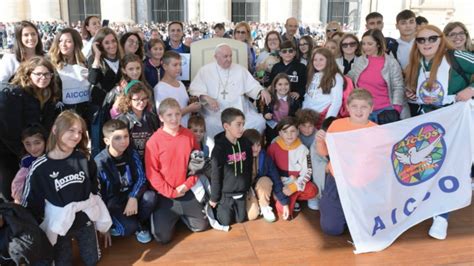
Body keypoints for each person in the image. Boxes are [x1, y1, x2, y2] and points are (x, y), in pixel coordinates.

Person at [22, 110, 111, 265]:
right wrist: (33, 233)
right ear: (55, 130)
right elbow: (30, 202)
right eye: (71, 130)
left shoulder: (84, 158)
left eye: (79, 132)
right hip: (59, 224)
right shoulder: (40, 167)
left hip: (85, 220)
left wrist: (101, 221)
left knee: (93, 260)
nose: (76, 136)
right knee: (63, 262)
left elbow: (95, 189)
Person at [145, 98, 209, 244]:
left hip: (185, 190)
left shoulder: (189, 136)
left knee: (201, 226)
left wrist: (187, 185)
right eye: (169, 115)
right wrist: (171, 192)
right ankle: (167, 217)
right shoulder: (153, 142)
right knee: (162, 238)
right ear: (161, 117)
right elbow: (152, 173)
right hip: (165, 195)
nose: (174, 119)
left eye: (177, 114)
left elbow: (197, 164)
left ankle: (182, 216)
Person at [316, 88, 377, 236]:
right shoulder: (337, 125)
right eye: (354, 106)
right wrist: (319, 141)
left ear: (371, 109)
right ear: (348, 108)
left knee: (366, 229)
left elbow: (380, 163)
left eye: (364, 107)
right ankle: (339, 210)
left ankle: (352, 213)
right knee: (331, 229)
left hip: (363, 185)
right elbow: (324, 152)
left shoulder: (377, 131)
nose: (359, 110)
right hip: (336, 181)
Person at [94, 119, 157, 244]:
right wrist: (103, 224)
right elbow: (98, 196)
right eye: (117, 138)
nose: (123, 141)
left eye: (126, 136)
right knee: (127, 229)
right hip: (114, 204)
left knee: (151, 197)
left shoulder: (132, 153)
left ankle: (138, 224)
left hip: (131, 197)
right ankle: (130, 224)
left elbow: (141, 177)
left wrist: (133, 197)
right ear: (107, 141)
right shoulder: (100, 163)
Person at [189, 43, 271, 139]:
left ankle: (246, 149)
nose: (229, 59)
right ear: (216, 57)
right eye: (225, 56)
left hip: (240, 111)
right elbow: (195, 89)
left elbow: (252, 86)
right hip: (215, 113)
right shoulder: (205, 71)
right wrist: (206, 97)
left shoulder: (240, 70)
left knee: (259, 121)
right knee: (210, 124)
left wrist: (261, 91)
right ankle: (217, 151)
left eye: (230, 56)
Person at [405, 24, 474, 115]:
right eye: (421, 40)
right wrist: (412, 94)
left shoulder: (455, 56)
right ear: (416, 43)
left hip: (459, 116)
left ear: (441, 40)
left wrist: (471, 90)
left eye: (432, 39)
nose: (426, 43)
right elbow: (413, 90)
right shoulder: (415, 64)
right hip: (429, 118)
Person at [348, 29, 408, 124]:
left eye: (370, 44)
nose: (365, 47)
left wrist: (396, 109)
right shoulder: (360, 60)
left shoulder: (391, 62)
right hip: (363, 112)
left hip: (385, 112)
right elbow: (349, 78)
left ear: (378, 44)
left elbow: (398, 87)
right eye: (363, 44)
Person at [209, 108, 253, 226]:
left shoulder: (246, 144)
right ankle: (217, 208)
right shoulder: (219, 149)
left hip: (241, 193)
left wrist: (248, 187)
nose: (242, 128)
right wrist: (214, 197)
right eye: (238, 124)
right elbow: (216, 175)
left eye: (243, 124)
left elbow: (249, 168)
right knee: (225, 222)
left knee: (241, 220)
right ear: (226, 126)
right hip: (226, 194)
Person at [267, 117, 318, 219]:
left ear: (298, 132)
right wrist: (278, 189)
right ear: (280, 133)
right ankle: (286, 200)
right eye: (285, 132)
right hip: (279, 184)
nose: (289, 135)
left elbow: (307, 171)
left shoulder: (303, 149)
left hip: (295, 183)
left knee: (312, 190)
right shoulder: (273, 147)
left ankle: (292, 198)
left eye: (293, 131)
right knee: (283, 212)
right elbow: (268, 170)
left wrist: (293, 187)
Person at [49, 28, 91, 120]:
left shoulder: (86, 63)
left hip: (84, 113)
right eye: (60, 41)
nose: (63, 45)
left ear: (76, 44)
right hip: (61, 115)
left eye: (68, 41)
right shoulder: (51, 65)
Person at [154, 51, 201, 127]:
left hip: (185, 128)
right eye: (175, 65)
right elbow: (164, 115)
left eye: (180, 64)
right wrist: (189, 109)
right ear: (165, 66)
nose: (179, 68)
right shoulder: (160, 88)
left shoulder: (181, 84)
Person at [116, 81, 160, 162]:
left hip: (149, 160)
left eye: (144, 98)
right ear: (128, 100)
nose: (141, 102)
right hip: (130, 162)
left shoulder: (152, 117)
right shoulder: (122, 120)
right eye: (136, 99)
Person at [302, 48, 344, 128]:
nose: (317, 62)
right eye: (315, 60)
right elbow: (307, 98)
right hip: (308, 119)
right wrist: (303, 116)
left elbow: (336, 102)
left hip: (323, 117)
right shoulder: (313, 75)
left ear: (328, 60)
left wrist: (326, 123)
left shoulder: (335, 77)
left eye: (321, 59)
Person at [242, 129, 277, 223]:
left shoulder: (264, 157)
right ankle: (256, 202)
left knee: (266, 180)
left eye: (258, 145)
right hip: (247, 189)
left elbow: (275, 177)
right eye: (252, 145)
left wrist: (283, 201)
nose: (256, 148)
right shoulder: (240, 158)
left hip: (259, 185)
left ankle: (265, 206)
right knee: (252, 215)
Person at [11, 124, 47, 204]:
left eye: (37, 143)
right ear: (22, 143)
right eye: (28, 144)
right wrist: (17, 197)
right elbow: (19, 182)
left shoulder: (52, 157)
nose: (33, 148)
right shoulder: (26, 161)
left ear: (45, 141)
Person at [88, 27, 123, 106]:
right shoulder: (94, 59)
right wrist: (97, 55)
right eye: (107, 43)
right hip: (101, 105)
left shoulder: (122, 58)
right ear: (100, 45)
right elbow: (93, 80)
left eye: (113, 41)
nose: (111, 45)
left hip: (119, 104)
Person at [263, 73, 299, 144]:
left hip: (287, 128)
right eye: (280, 84)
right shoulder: (270, 98)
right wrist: (266, 114)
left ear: (289, 86)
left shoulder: (293, 100)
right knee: (272, 142)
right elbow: (264, 110)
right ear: (275, 86)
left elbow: (295, 116)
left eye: (286, 84)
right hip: (272, 127)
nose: (283, 87)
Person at [268, 40, 307, 105]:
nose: (287, 53)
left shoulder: (301, 67)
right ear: (280, 53)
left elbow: (305, 85)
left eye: (290, 51)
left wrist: (299, 93)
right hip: (278, 100)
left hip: (294, 101)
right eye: (284, 51)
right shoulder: (276, 67)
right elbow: (271, 84)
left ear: (294, 53)